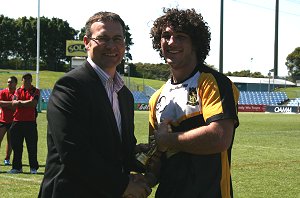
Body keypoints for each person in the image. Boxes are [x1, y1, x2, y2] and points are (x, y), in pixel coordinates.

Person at [38, 11, 151, 198]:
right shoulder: (70, 86)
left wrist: (145, 155)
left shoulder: (125, 95)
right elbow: (73, 152)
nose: (111, 45)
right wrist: (123, 184)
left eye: (117, 39)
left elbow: (120, 151)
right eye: (103, 38)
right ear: (86, 42)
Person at [146, 8, 240, 198]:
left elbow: (220, 137)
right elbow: (157, 157)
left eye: (180, 36)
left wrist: (168, 140)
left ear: (195, 43)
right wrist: (144, 180)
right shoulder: (156, 98)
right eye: (166, 36)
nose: (172, 42)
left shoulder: (212, 82)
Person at [8, 73, 40, 174]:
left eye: (29, 79)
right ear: (22, 80)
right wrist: (25, 103)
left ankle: (33, 168)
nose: (27, 81)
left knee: (32, 146)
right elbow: (13, 103)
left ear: (31, 80)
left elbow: (33, 103)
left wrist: (20, 103)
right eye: (25, 79)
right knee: (17, 146)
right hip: (17, 121)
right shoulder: (18, 90)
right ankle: (17, 167)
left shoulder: (35, 90)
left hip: (30, 122)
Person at [0, 76, 18, 166]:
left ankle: (7, 159)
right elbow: (0, 103)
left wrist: (6, 104)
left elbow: (15, 107)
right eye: (8, 82)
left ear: (15, 83)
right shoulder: (3, 92)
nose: (9, 84)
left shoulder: (17, 93)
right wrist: (11, 103)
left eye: (11, 82)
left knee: (10, 141)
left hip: (13, 120)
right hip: (2, 120)